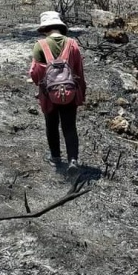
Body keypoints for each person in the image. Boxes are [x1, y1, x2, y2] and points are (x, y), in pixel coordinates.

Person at [29, 11, 86, 172]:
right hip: (70, 92)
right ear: (60, 27)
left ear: (45, 28)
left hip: (48, 94)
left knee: (51, 125)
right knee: (69, 127)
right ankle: (73, 160)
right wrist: (81, 92)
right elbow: (79, 72)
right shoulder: (72, 44)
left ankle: (55, 158)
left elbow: (35, 73)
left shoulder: (40, 45)